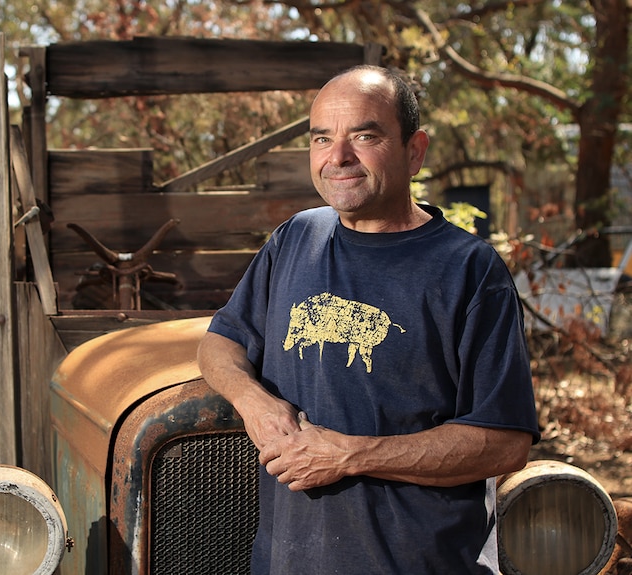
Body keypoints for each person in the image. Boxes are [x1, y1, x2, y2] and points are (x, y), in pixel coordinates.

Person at [196, 65, 540, 574]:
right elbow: (219, 344)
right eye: (321, 139)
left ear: (415, 151)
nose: (338, 158)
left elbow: (505, 443)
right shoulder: (295, 239)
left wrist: (350, 455)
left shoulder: (468, 270)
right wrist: (254, 403)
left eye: (365, 136)